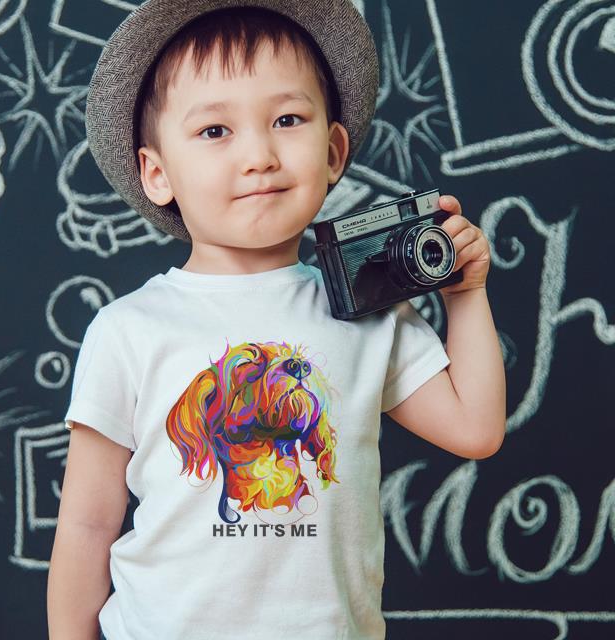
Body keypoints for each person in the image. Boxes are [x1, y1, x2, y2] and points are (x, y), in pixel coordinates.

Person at [47, 1, 506, 638]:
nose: (259, 154)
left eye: (287, 120)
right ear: (157, 173)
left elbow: (475, 430)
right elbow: (86, 524)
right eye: (215, 130)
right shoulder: (129, 329)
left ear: (333, 151)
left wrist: (465, 294)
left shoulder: (367, 309)